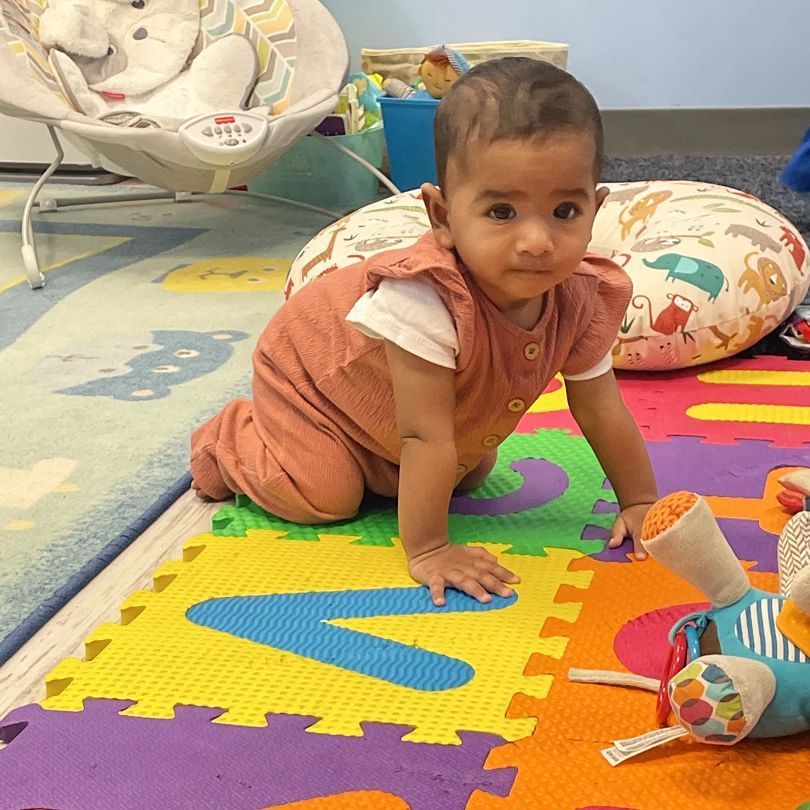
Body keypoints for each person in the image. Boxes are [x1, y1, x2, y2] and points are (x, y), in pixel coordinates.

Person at [190, 57, 659, 606]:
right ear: (442, 215)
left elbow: (602, 409)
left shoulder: (580, 296)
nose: (537, 241)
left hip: (393, 413)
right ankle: (229, 439)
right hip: (311, 383)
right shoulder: (426, 297)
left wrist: (640, 500)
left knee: (470, 470)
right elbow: (423, 436)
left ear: (595, 207)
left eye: (564, 210)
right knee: (324, 495)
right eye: (502, 212)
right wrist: (430, 547)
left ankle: (372, 465)